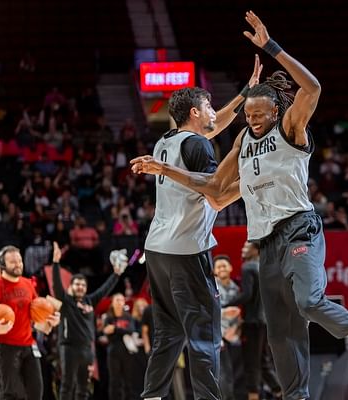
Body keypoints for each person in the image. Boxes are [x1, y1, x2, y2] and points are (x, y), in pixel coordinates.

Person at [132, 11, 348, 398]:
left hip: (299, 227)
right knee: (280, 332)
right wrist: (165, 170)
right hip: (265, 242)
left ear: (275, 112)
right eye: (248, 115)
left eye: (258, 114)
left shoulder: (290, 128)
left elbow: (312, 87)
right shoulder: (241, 141)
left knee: (309, 302)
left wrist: (271, 47)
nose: (251, 120)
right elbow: (215, 189)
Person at [135, 55, 263, 400]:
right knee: (205, 333)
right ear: (195, 112)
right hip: (187, 250)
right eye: (208, 106)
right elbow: (217, 195)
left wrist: (245, 93)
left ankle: (151, 397)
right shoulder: (199, 145)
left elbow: (215, 125)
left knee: (169, 334)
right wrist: (257, 179)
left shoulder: (166, 141)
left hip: (157, 249)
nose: (213, 112)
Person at [0, 245, 62, 400]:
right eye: (13, 262)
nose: (18, 264)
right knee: (12, 394)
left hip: (28, 346)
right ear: (3, 265)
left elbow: (35, 316)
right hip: (4, 349)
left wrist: (50, 320)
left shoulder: (28, 284)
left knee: (36, 392)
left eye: (20, 260)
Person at [51, 242, 128, 400]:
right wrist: (56, 263)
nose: (80, 287)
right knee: (67, 385)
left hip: (87, 349)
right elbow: (57, 285)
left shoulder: (89, 301)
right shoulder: (66, 301)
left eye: (82, 285)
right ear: (71, 287)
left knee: (84, 387)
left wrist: (116, 274)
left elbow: (104, 289)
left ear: (86, 288)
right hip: (68, 348)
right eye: (77, 284)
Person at [224, 241, 281, 400]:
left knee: (251, 364)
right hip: (264, 321)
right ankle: (280, 392)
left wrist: (224, 304)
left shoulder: (248, 267)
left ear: (256, 250)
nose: (242, 250)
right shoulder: (264, 266)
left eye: (246, 247)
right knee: (263, 361)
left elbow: (247, 295)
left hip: (253, 322)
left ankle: (254, 395)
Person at [213, 255, 244, 400]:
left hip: (234, 336)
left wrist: (236, 329)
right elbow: (206, 312)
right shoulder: (211, 289)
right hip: (216, 336)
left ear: (230, 268)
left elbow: (239, 314)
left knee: (234, 373)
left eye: (224, 265)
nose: (222, 269)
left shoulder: (236, 288)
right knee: (223, 373)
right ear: (214, 271)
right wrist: (224, 313)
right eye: (218, 267)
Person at [102, 293, 137, 400]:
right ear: (112, 302)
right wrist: (120, 331)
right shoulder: (108, 317)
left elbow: (131, 330)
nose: (119, 302)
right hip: (113, 352)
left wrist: (115, 329)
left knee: (128, 381)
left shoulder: (128, 316)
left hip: (127, 352)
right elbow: (106, 332)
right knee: (114, 381)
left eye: (121, 300)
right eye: (117, 300)